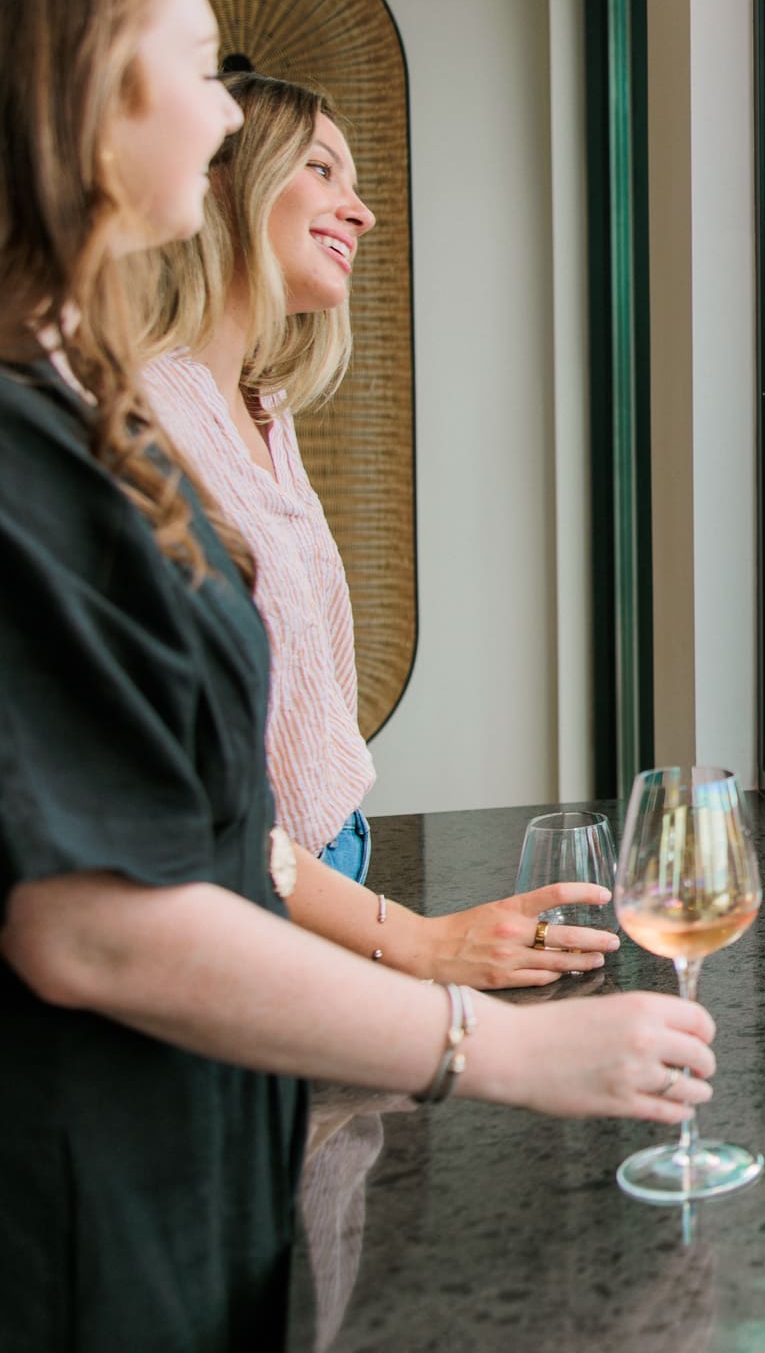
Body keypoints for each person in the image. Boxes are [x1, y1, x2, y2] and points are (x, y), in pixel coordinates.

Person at [0, 0, 712, 1348]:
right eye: (196, 68)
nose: (219, 112)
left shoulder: (72, 411)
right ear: (72, 85)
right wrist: (500, 1047)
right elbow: (100, 925)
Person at [138, 72, 608, 988]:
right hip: (250, 897)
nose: (361, 213)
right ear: (226, 183)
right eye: (322, 170)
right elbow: (184, 779)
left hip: (329, 866)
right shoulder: (150, 411)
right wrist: (419, 941)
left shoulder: (259, 406)